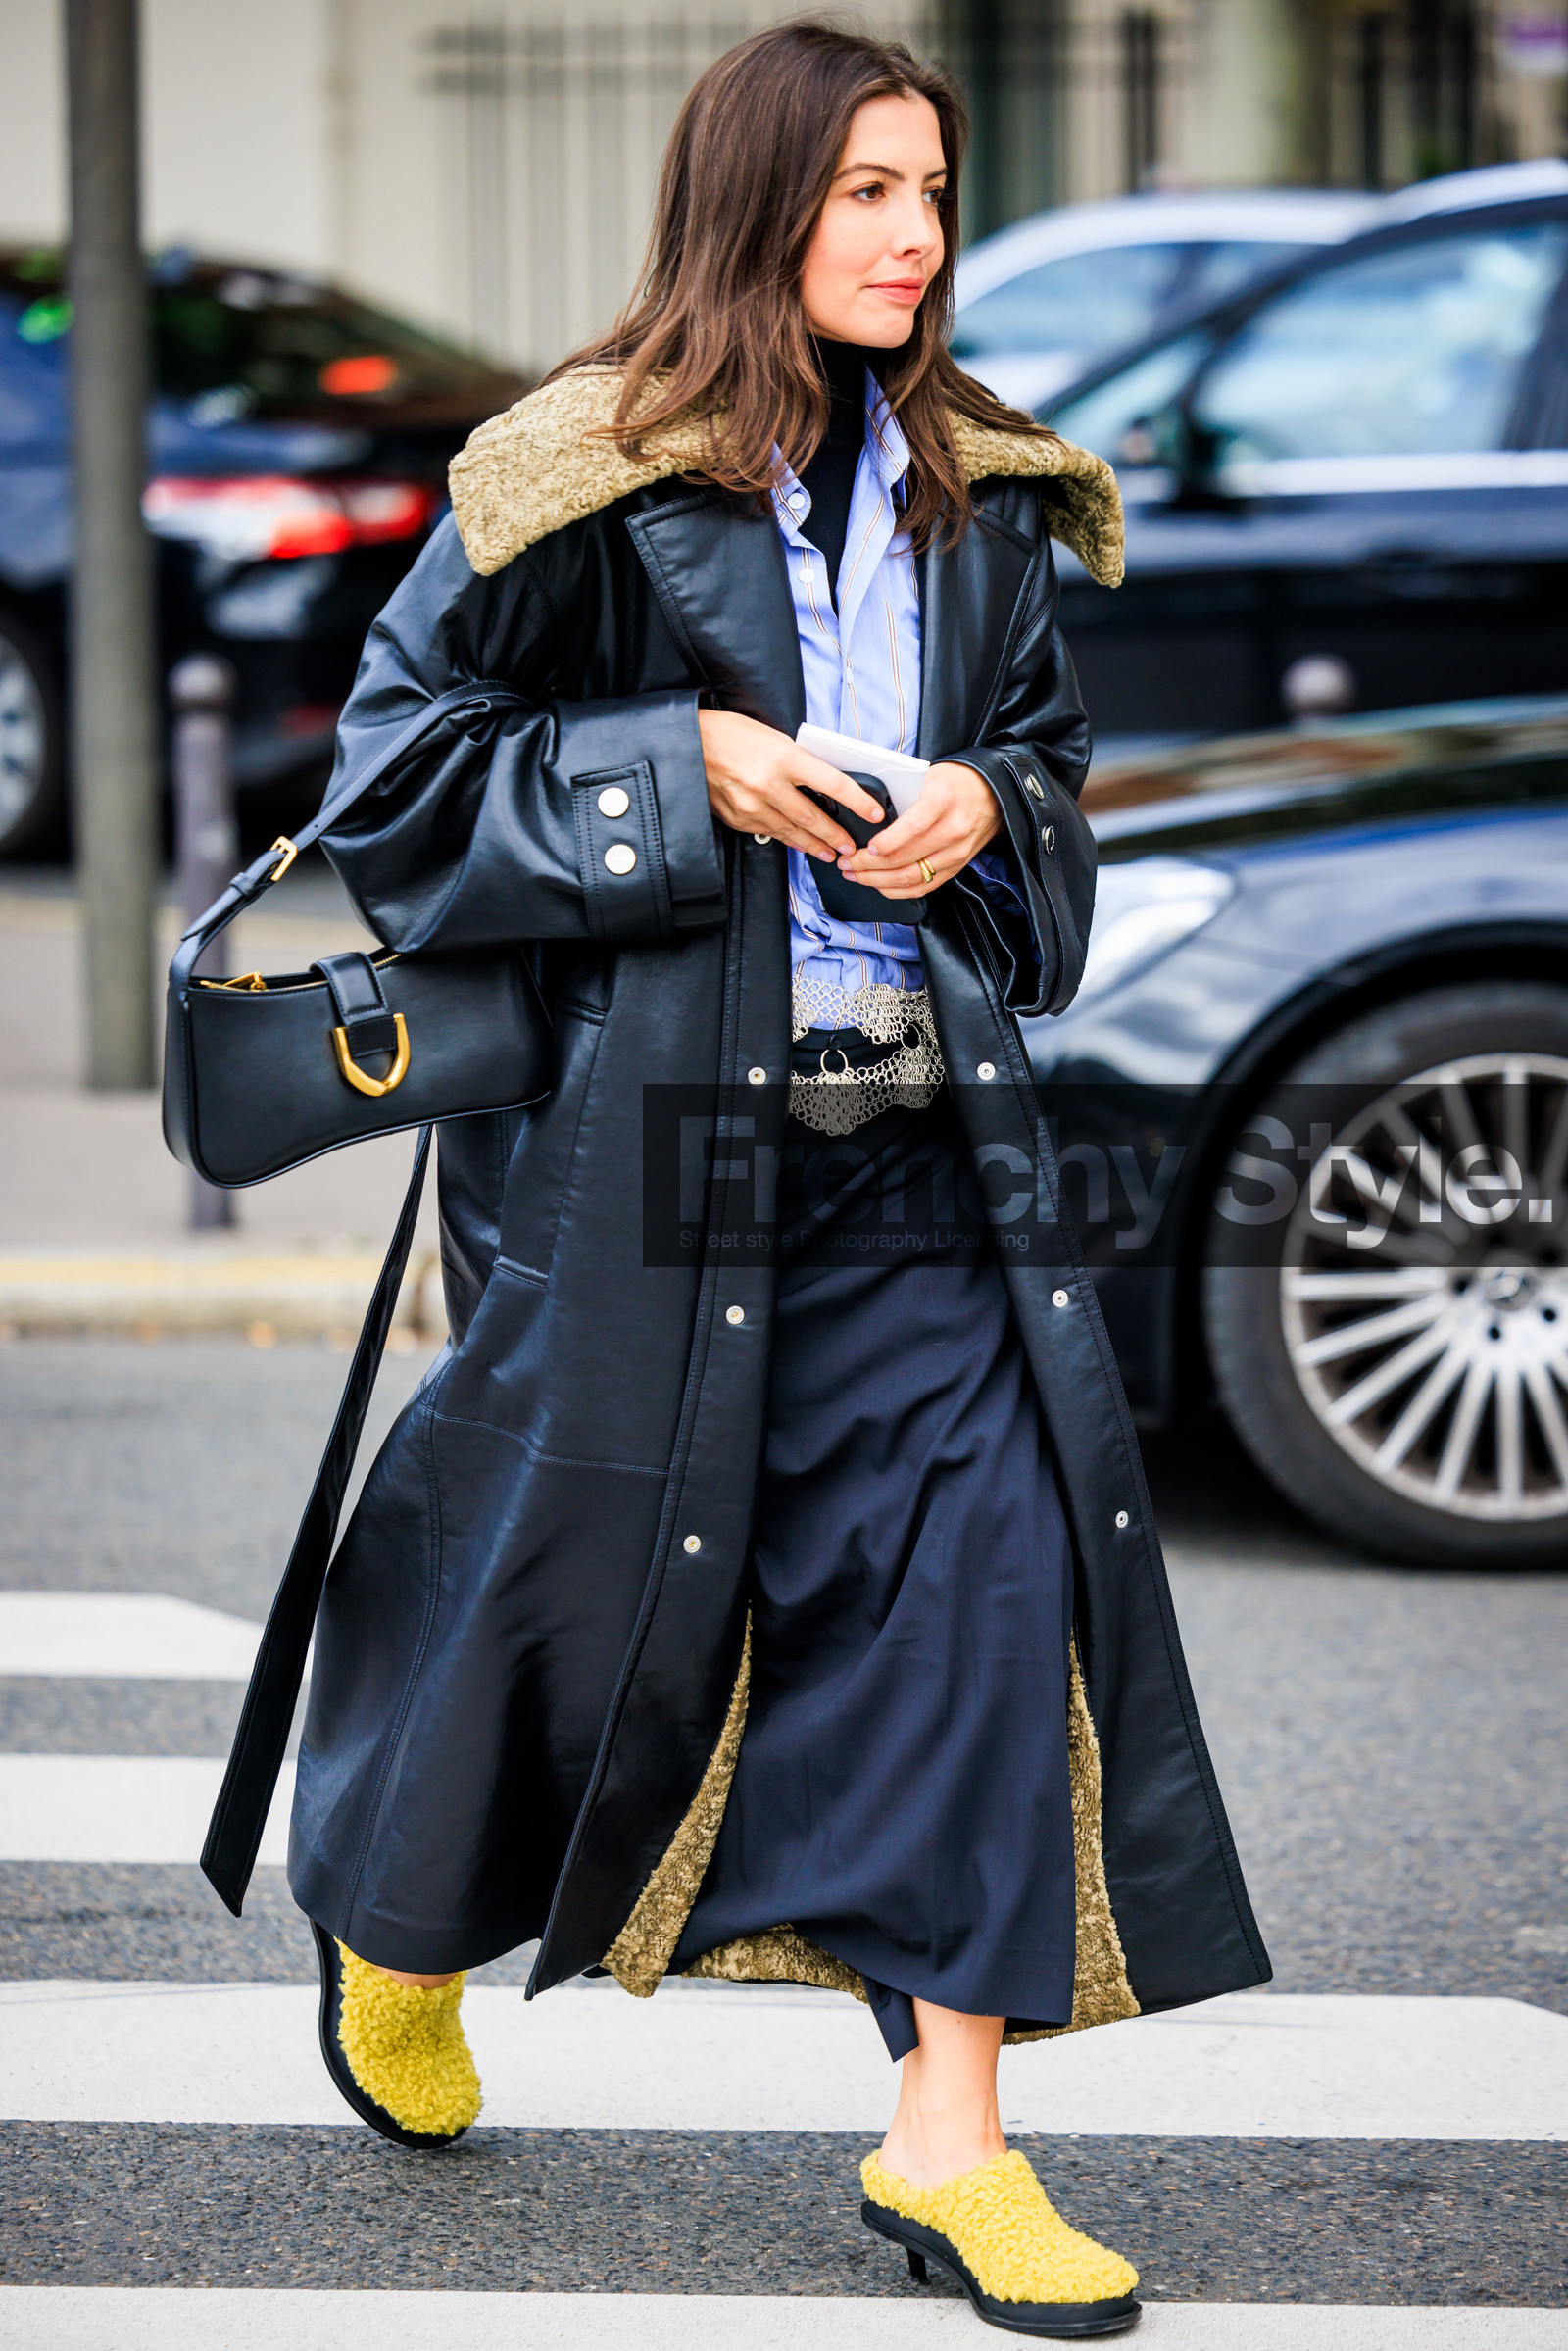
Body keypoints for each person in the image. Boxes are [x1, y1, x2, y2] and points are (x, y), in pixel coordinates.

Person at [273, 21, 1269, 2336]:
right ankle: (398, 1935)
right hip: (646, 1144)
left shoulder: (991, 493)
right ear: (755, 209)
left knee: (983, 1573)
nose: (915, 235)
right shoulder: (574, 474)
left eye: (932, 190)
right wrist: (672, 766)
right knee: (569, 1572)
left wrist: (980, 819)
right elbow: (400, 788)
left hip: (918, 1130)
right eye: (865, 195)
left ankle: (951, 2143)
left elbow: (1043, 778)